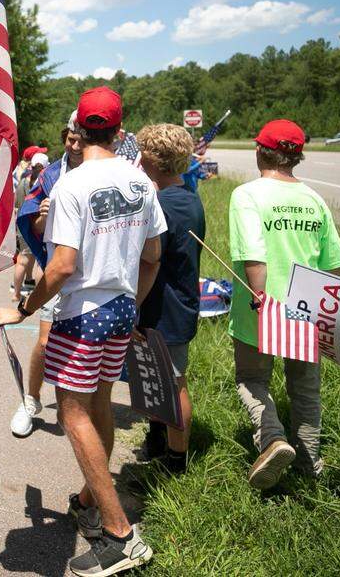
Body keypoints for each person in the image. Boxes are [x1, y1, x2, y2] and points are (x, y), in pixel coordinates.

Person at [0, 87, 164, 576]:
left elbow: (62, 266)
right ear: (118, 129)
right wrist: (132, 299)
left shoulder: (70, 185)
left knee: (72, 413)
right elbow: (152, 258)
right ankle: (92, 501)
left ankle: (120, 535)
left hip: (82, 314)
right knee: (99, 404)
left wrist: (24, 308)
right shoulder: (140, 182)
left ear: (78, 129)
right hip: (121, 310)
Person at [229, 119, 340, 489]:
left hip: (261, 310)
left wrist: (259, 295)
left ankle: (272, 439)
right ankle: (310, 462)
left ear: (259, 151)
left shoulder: (247, 195)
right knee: (306, 388)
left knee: (252, 379)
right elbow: (335, 263)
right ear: (298, 157)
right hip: (307, 308)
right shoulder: (314, 199)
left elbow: (253, 254)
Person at [9, 109, 85, 437]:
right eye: (70, 138)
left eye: (81, 138)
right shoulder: (52, 175)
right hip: (57, 273)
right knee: (43, 342)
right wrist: (44, 216)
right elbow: (35, 227)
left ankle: (80, 411)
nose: (75, 144)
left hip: (92, 279)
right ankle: (31, 400)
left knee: (85, 349)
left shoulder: (104, 175)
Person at [135, 124, 205, 473]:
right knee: (156, 377)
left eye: (142, 153)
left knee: (174, 382)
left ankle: (176, 461)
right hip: (173, 302)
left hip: (167, 306)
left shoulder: (161, 203)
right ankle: (157, 438)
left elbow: (151, 258)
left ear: (153, 160)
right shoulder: (189, 196)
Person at [10, 152, 48, 301]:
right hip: (42, 223)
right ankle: (38, 296)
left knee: (22, 259)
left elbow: (18, 205)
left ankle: (16, 294)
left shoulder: (23, 182)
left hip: (24, 223)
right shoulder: (46, 182)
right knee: (41, 261)